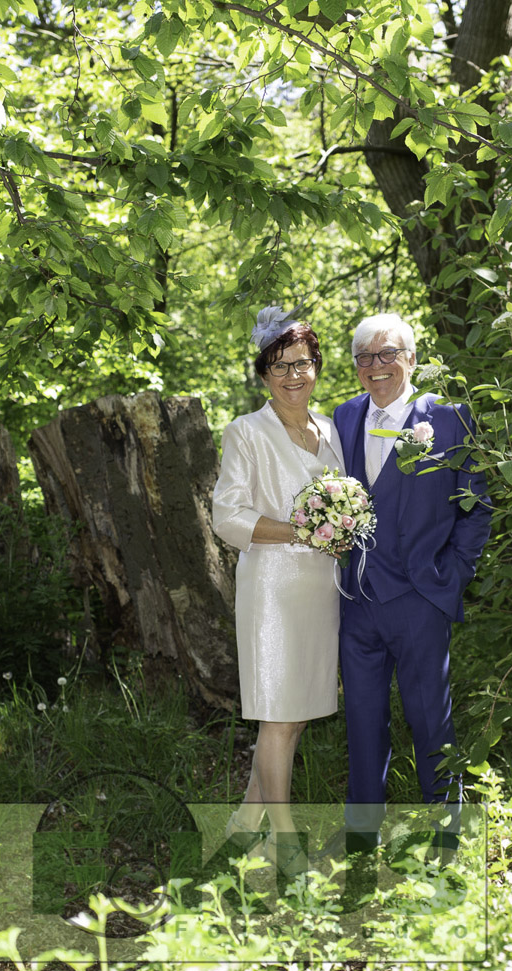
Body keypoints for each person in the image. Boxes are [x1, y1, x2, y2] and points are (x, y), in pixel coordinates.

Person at [332, 312, 492, 855]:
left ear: (411, 359)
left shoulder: (449, 418)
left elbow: (476, 506)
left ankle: (447, 838)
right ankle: (361, 841)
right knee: (362, 723)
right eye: (364, 357)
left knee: (430, 721)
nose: (376, 366)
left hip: (421, 599)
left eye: (387, 354)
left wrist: (453, 574)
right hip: (357, 601)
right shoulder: (344, 416)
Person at [211, 307, 346, 875]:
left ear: (317, 367)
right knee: (279, 716)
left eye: (302, 363)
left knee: (296, 713)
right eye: (280, 366)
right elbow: (227, 516)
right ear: (264, 374)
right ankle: (285, 845)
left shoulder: (332, 430)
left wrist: (342, 530)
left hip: (322, 589)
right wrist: (301, 531)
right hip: (272, 588)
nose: (293, 375)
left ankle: (244, 826)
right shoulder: (246, 432)